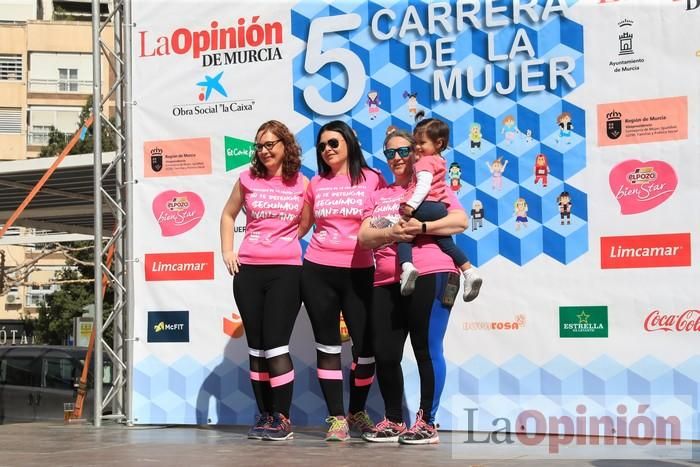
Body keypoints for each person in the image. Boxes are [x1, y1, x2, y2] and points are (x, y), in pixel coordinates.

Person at [357, 128, 469, 445]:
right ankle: (393, 419)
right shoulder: (378, 194)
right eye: (390, 153)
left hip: (433, 272)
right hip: (385, 280)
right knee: (385, 353)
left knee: (426, 348)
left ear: (416, 152)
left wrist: (419, 227)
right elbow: (364, 237)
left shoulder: (434, 187)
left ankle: (427, 422)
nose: (396, 158)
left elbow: (459, 221)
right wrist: (394, 233)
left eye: (404, 151)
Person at [298, 120, 386, 441]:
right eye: (322, 146)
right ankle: (336, 418)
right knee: (327, 346)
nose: (327, 150)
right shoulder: (315, 183)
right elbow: (301, 228)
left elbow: (384, 218)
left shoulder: (373, 179)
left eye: (333, 143)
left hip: (360, 272)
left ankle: (357, 411)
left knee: (366, 349)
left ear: (349, 142)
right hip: (318, 271)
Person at [219, 120, 306, 441]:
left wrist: (282, 243)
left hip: (286, 272)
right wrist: (228, 250)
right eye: (260, 145)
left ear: (285, 146)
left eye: (271, 144)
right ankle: (265, 415)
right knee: (256, 348)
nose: (265, 150)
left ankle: (282, 418)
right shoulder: (247, 180)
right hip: (249, 274)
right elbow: (228, 214)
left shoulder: (302, 183)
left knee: (276, 346)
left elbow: (305, 223)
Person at [398, 118, 482, 303]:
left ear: (438, 143)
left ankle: (407, 268)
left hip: (423, 206)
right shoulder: (439, 160)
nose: (417, 148)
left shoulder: (424, 163)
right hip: (438, 208)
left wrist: (411, 206)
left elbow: (423, 186)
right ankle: (469, 272)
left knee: (403, 235)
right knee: (447, 243)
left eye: (422, 143)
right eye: (415, 143)